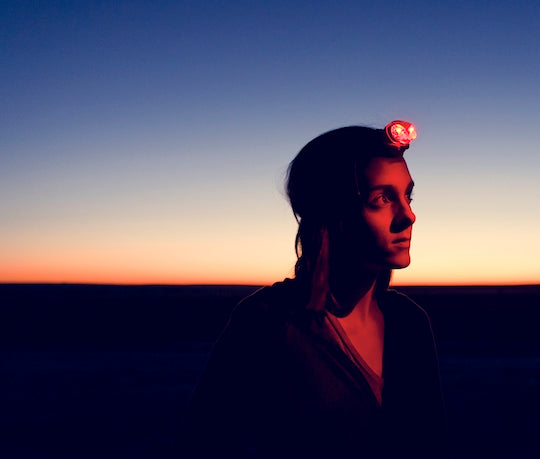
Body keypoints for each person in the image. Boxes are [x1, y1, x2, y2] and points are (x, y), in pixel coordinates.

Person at [174, 121, 449, 458]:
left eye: (407, 195)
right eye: (381, 199)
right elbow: (202, 443)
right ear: (334, 214)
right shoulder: (267, 322)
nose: (409, 216)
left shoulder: (409, 322)